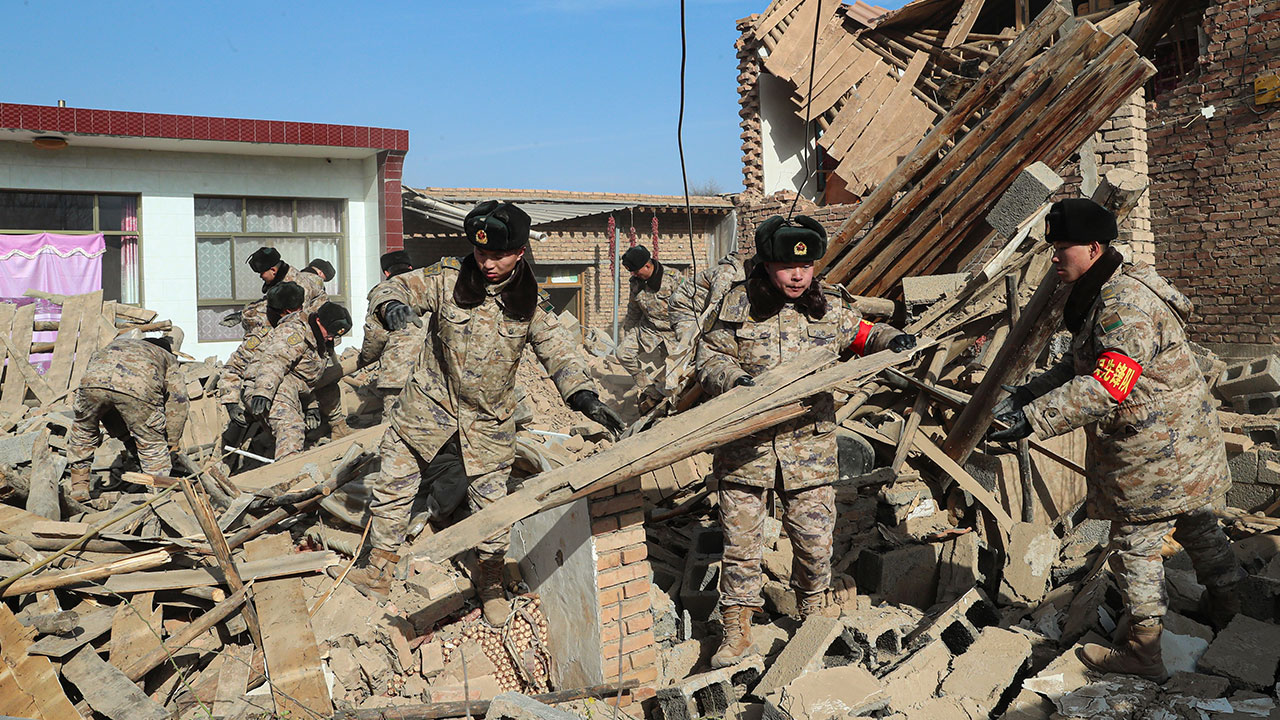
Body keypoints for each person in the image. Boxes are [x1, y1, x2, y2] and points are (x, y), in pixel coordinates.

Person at [989, 198, 1244, 682]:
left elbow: (1109, 384)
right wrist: (1028, 392)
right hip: (1180, 443)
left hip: (1156, 451)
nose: (1054, 258)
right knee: (1199, 527)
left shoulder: (1122, 305)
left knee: (1134, 547)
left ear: (1093, 246)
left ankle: (1142, 654)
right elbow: (1082, 362)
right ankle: (1233, 617)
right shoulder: (1108, 285)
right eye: (1052, 248)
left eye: (1062, 248)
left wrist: (1035, 420)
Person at [347, 200, 625, 623]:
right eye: (481, 254)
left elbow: (559, 353)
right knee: (393, 489)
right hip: (425, 408)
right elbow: (396, 287)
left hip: (490, 423)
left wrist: (584, 397)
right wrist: (390, 306)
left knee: (492, 510)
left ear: (519, 252)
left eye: (497, 255)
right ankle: (379, 568)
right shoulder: (446, 279)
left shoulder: (529, 301)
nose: (487, 263)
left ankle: (490, 578)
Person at [696, 215, 915, 669]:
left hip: (808, 452)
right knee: (741, 546)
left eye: (807, 266)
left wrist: (893, 339)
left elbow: (863, 335)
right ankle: (736, 630)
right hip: (747, 450)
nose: (798, 275)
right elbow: (708, 356)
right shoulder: (737, 305)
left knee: (815, 543)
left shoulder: (828, 305)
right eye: (785, 266)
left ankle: (812, 616)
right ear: (766, 264)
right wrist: (734, 379)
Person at [65, 329, 189, 501]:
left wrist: (124, 435)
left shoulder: (114, 345)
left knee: (84, 430)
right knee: (151, 442)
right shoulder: (166, 357)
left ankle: (79, 486)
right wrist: (171, 442)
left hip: (92, 384)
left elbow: (106, 393)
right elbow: (178, 402)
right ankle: (157, 494)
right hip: (137, 389)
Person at [241, 301, 352, 459]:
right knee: (290, 426)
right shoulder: (294, 332)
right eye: (330, 332)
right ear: (319, 321)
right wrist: (263, 391)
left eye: (335, 335)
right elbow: (275, 360)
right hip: (268, 384)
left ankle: (338, 428)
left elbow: (308, 378)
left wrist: (311, 404)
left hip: (292, 385)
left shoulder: (321, 337)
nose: (331, 338)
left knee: (330, 385)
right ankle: (289, 468)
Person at [358, 250, 426, 415]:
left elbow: (375, 336)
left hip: (399, 374)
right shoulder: (430, 286)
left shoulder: (385, 289)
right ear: (410, 266)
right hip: (432, 374)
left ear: (386, 272)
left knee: (393, 427)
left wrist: (365, 359)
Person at [616, 245, 683, 389]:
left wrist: (685, 334)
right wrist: (628, 332)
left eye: (636, 271)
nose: (634, 274)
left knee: (674, 373)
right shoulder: (636, 283)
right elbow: (634, 309)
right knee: (623, 353)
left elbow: (689, 307)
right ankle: (646, 386)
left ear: (647, 266)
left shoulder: (673, 277)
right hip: (649, 328)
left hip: (673, 331)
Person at [238, 247, 327, 334]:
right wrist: (244, 314)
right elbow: (269, 303)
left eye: (262, 273)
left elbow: (297, 317)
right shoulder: (281, 280)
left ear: (273, 270)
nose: (260, 276)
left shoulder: (296, 287)